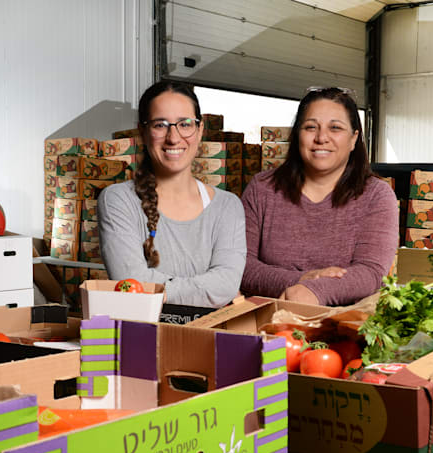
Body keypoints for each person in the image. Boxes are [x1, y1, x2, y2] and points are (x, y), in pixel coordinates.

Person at [240, 87, 398, 306]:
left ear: (353, 139)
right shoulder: (262, 189)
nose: (322, 138)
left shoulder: (376, 195)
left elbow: (370, 273)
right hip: (269, 322)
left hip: (346, 325)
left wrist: (315, 291)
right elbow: (242, 266)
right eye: (310, 127)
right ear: (297, 135)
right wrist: (301, 281)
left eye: (335, 128)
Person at [97, 81, 246, 308]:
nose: (173, 138)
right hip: (144, 339)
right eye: (160, 125)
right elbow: (131, 283)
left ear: (200, 130)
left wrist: (160, 291)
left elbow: (226, 284)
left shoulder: (228, 206)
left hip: (210, 339)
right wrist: (210, 291)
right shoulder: (118, 200)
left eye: (185, 124)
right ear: (143, 132)